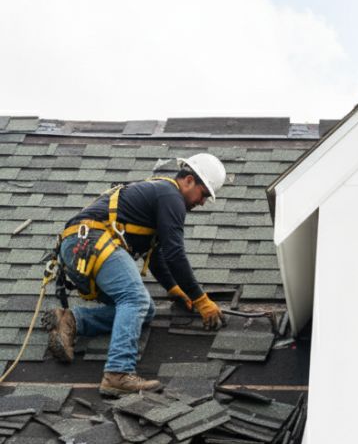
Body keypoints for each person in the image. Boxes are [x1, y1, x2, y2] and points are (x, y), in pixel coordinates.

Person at [46, 153, 227, 396]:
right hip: (91, 241)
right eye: (204, 194)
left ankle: (72, 320)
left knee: (145, 310)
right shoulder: (171, 195)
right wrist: (200, 299)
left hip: (80, 248)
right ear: (188, 180)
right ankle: (118, 373)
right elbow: (175, 253)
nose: (202, 202)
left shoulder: (160, 196)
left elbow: (160, 257)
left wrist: (175, 289)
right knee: (135, 299)